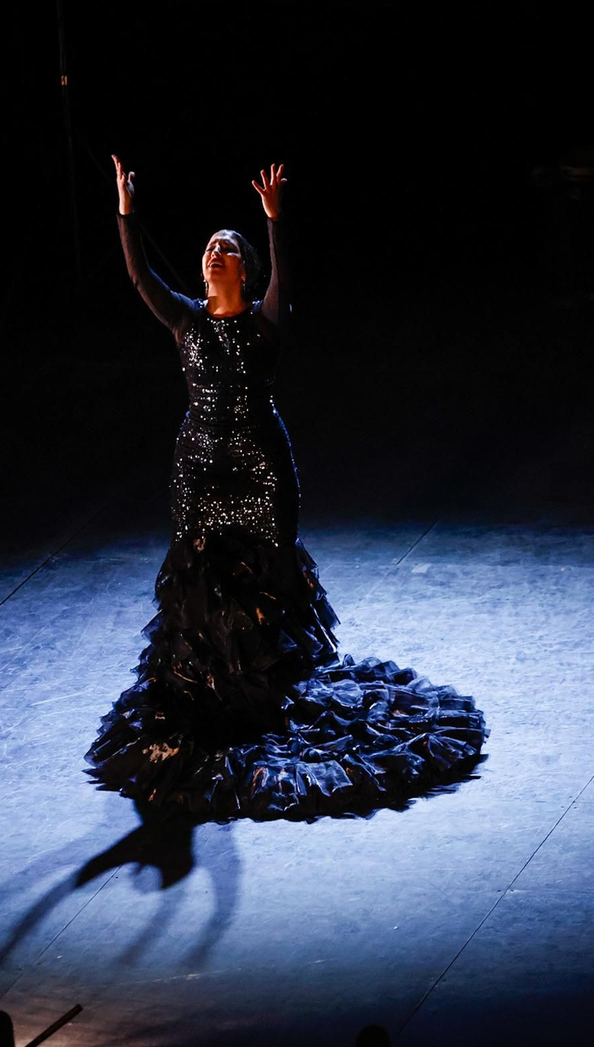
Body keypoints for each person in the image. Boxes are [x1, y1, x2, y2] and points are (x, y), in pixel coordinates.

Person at [85, 155, 488, 820]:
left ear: (242, 267)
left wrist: (273, 221)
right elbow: (138, 275)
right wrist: (126, 211)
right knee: (200, 579)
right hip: (200, 468)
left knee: (267, 582)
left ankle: (265, 692)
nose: (216, 252)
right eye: (209, 246)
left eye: (228, 248)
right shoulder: (185, 320)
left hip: (260, 466)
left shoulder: (267, 324)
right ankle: (209, 696)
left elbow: (285, 278)